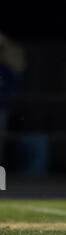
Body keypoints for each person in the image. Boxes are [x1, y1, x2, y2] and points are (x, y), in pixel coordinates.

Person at [0, 33, 25, 164]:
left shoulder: (7, 71)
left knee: (1, 137)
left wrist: (5, 99)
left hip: (1, 108)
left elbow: (13, 87)